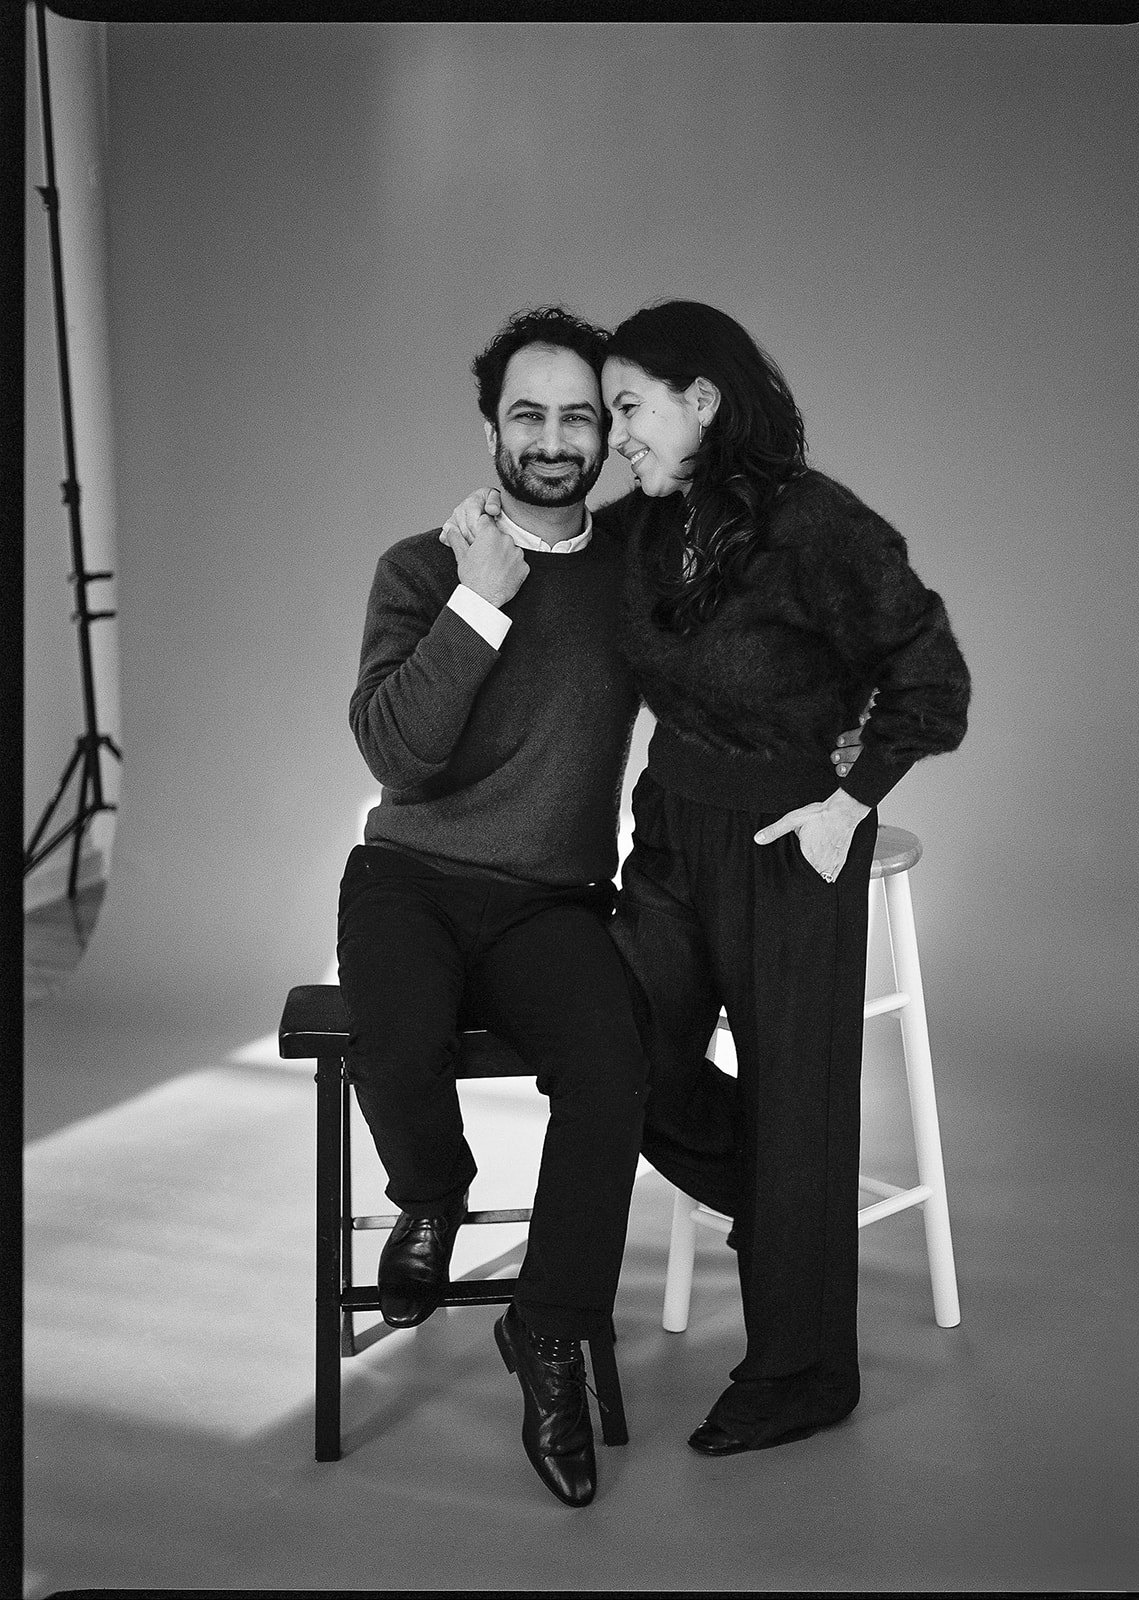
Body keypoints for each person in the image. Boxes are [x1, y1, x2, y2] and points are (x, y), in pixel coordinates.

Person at [445, 298, 969, 1459]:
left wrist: (851, 799)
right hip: (670, 827)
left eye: (628, 407)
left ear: (703, 401)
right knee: (623, 1047)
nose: (615, 432)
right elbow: (556, 555)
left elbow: (934, 678)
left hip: (790, 838)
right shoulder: (644, 529)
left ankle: (802, 1375)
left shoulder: (820, 526)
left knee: (798, 1092)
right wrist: (478, 540)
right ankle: (784, 1198)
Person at [337, 306, 649, 1509]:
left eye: (581, 413)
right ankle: (433, 1192)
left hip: (549, 900)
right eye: (531, 413)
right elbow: (398, 757)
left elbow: (734, 647)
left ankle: (551, 1331)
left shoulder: (632, 576)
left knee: (611, 1064)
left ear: (605, 432)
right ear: (491, 430)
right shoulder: (423, 566)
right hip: (411, 877)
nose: (556, 436)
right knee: (396, 1044)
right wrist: (479, 602)